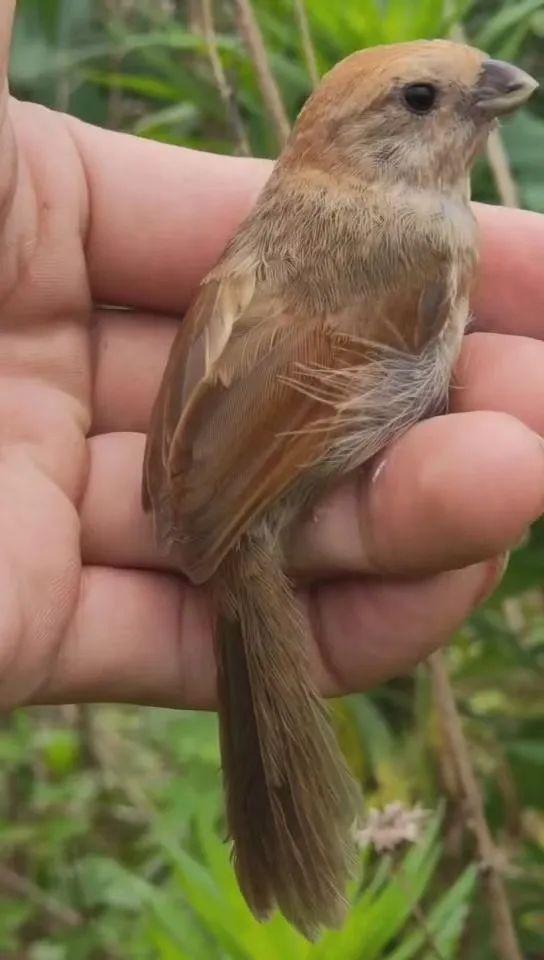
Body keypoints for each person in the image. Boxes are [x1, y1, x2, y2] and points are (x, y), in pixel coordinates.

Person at [1, 2, 543, 713]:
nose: (495, 86)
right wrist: (226, 509)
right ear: (359, 142)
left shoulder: (344, 215)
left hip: (209, 466)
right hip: (247, 478)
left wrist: (194, 483)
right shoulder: (418, 243)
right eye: (420, 100)